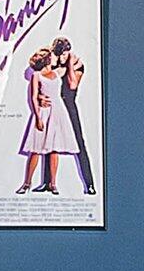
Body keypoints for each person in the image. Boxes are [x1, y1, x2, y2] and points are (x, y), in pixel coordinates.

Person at [16, 48, 77, 192]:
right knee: (36, 149)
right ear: (47, 59)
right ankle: (27, 183)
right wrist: (37, 116)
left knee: (55, 149)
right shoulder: (37, 75)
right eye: (52, 57)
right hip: (44, 113)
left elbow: (70, 72)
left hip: (58, 111)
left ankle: (53, 184)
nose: (54, 58)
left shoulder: (57, 73)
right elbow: (33, 96)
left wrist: (68, 58)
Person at [46, 35, 93, 192]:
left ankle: (89, 184)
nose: (63, 57)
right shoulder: (53, 64)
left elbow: (73, 84)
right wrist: (52, 62)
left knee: (80, 143)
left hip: (68, 105)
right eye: (61, 54)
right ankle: (48, 182)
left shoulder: (77, 65)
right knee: (49, 143)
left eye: (66, 54)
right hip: (53, 105)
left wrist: (70, 65)